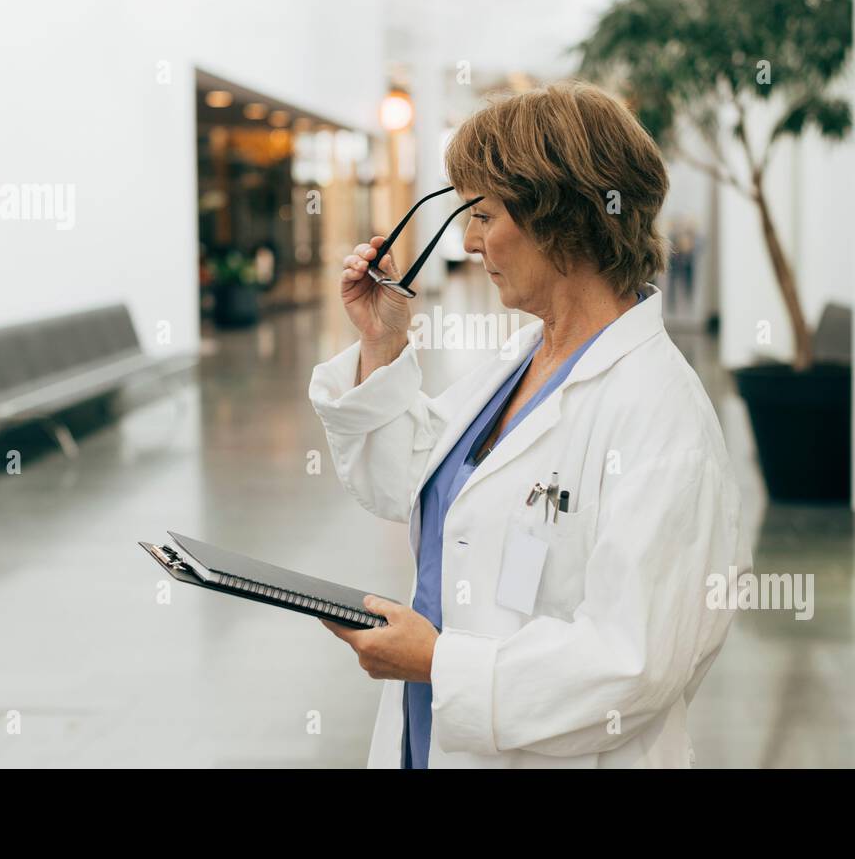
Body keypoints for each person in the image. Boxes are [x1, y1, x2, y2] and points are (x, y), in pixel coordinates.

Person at [309, 80, 749, 768]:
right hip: (436, 739)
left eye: (484, 215)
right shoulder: (525, 360)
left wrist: (440, 663)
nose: (469, 239)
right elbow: (413, 484)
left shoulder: (663, 419)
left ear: (562, 218)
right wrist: (381, 343)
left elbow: (632, 662)